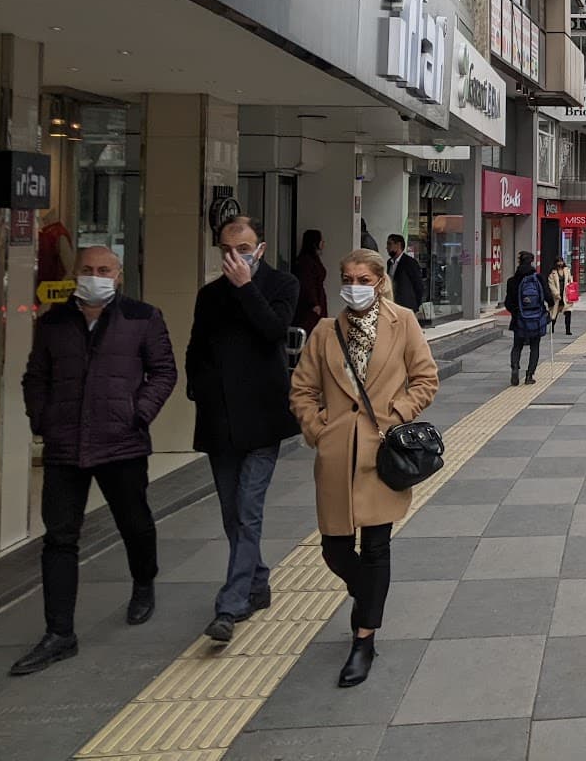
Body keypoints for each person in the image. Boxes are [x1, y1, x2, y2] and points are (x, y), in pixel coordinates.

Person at [12, 247, 177, 676]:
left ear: (119, 275)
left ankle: (144, 582)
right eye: (87, 270)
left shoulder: (143, 317)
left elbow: (163, 371)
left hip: (121, 443)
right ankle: (59, 633)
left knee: (134, 522)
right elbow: (36, 375)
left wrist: (137, 414)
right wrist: (42, 419)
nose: (95, 276)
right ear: (73, 274)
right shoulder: (54, 322)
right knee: (59, 539)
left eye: (104, 270)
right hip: (65, 446)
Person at [289, 248, 439, 688]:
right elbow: (301, 389)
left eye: (362, 278)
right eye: (347, 277)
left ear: (378, 281)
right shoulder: (324, 332)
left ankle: (364, 637)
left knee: (376, 548)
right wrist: (319, 430)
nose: (353, 286)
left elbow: (426, 379)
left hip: (382, 456)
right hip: (336, 456)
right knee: (334, 550)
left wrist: (398, 412)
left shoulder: (403, 322)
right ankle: (367, 594)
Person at [186, 216, 301, 643]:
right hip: (219, 421)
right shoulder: (208, 295)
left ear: (262, 248)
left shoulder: (282, 284)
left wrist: (245, 287)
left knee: (249, 511)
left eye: (245, 249)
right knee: (232, 514)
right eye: (227, 251)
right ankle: (257, 582)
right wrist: (196, 387)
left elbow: (273, 330)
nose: (236, 258)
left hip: (263, 419)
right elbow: (196, 346)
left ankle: (230, 606)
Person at [503, 253, 552, 384]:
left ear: (519, 262)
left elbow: (508, 303)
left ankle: (514, 368)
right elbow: (548, 296)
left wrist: (516, 312)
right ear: (532, 262)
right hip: (536, 318)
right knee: (535, 346)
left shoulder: (512, 281)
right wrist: (550, 308)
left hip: (519, 319)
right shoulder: (538, 278)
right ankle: (529, 375)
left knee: (517, 346)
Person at [292, 229, 328, 336]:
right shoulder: (307, 262)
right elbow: (307, 284)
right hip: (311, 306)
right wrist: (314, 303)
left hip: (318, 300)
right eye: (321, 241)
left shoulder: (313, 259)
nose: (323, 243)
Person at [386, 235, 424, 315]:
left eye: (390, 244)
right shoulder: (390, 263)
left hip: (406, 305)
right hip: (392, 304)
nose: (387, 248)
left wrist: (416, 304)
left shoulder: (410, 262)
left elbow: (418, 285)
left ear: (398, 245)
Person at [546, 257, 572, 335]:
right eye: (558, 262)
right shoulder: (552, 273)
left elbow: (570, 280)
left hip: (565, 295)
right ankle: (552, 327)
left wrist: (570, 283)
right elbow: (551, 284)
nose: (560, 263)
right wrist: (556, 294)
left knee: (568, 312)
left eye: (561, 261)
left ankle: (568, 330)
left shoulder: (566, 270)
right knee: (555, 313)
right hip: (557, 296)